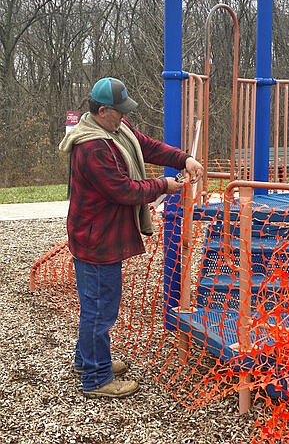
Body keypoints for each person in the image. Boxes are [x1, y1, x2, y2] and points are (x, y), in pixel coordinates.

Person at [59, 77, 203, 399]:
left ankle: (87, 361)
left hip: (100, 235)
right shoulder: (92, 146)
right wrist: (164, 185)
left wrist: (183, 159)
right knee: (100, 310)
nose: (124, 116)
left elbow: (148, 146)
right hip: (97, 241)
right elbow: (124, 190)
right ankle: (97, 378)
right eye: (119, 111)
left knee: (94, 306)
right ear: (103, 110)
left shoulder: (116, 131)